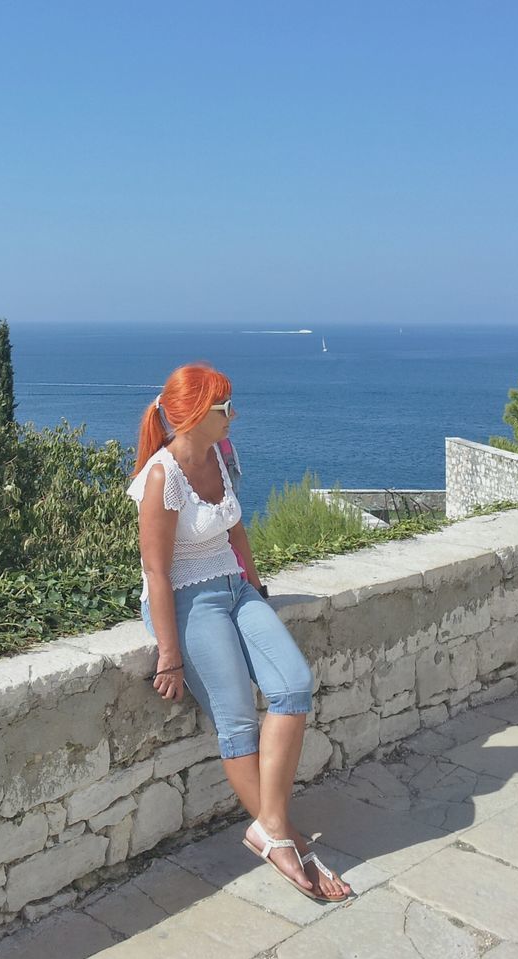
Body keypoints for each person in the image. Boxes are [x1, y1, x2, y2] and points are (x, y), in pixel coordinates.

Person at [128, 363, 351, 901]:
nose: (234, 415)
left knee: (294, 686)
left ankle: (270, 829)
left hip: (235, 590)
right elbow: (156, 571)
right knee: (236, 724)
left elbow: (235, 529)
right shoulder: (163, 476)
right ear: (196, 415)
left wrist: (254, 588)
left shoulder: (220, 456)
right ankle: (285, 838)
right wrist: (170, 655)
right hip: (186, 601)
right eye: (225, 407)